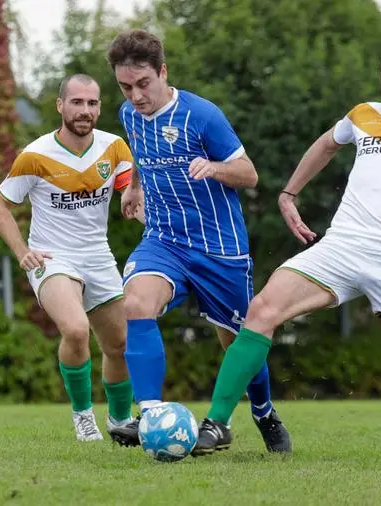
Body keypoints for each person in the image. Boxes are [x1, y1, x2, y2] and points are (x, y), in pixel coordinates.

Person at [193, 17, 381, 458]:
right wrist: (289, 193)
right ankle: (216, 423)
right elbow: (326, 144)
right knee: (262, 310)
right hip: (343, 246)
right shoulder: (363, 115)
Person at [105, 29, 292, 454]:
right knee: (135, 303)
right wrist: (134, 186)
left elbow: (250, 174)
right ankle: (151, 414)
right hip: (164, 241)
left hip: (219, 249)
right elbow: (140, 149)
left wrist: (213, 167)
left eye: (143, 84)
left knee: (239, 341)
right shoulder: (129, 114)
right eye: (125, 86)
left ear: (163, 72)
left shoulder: (202, 115)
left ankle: (263, 411)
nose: (135, 96)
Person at [0, 74, 139, 442]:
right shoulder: (36, 155)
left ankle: (120, 422)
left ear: (99, 107)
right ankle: (83, 415)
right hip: (52, 258)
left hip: (98, 255)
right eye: (77, 102)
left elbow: (130, 197)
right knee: (75, 329)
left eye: (92, 103)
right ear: (60, 106)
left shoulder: (115, 148)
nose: (85, 110)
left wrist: (139, 208)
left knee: (119, 344)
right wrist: (23, 252)